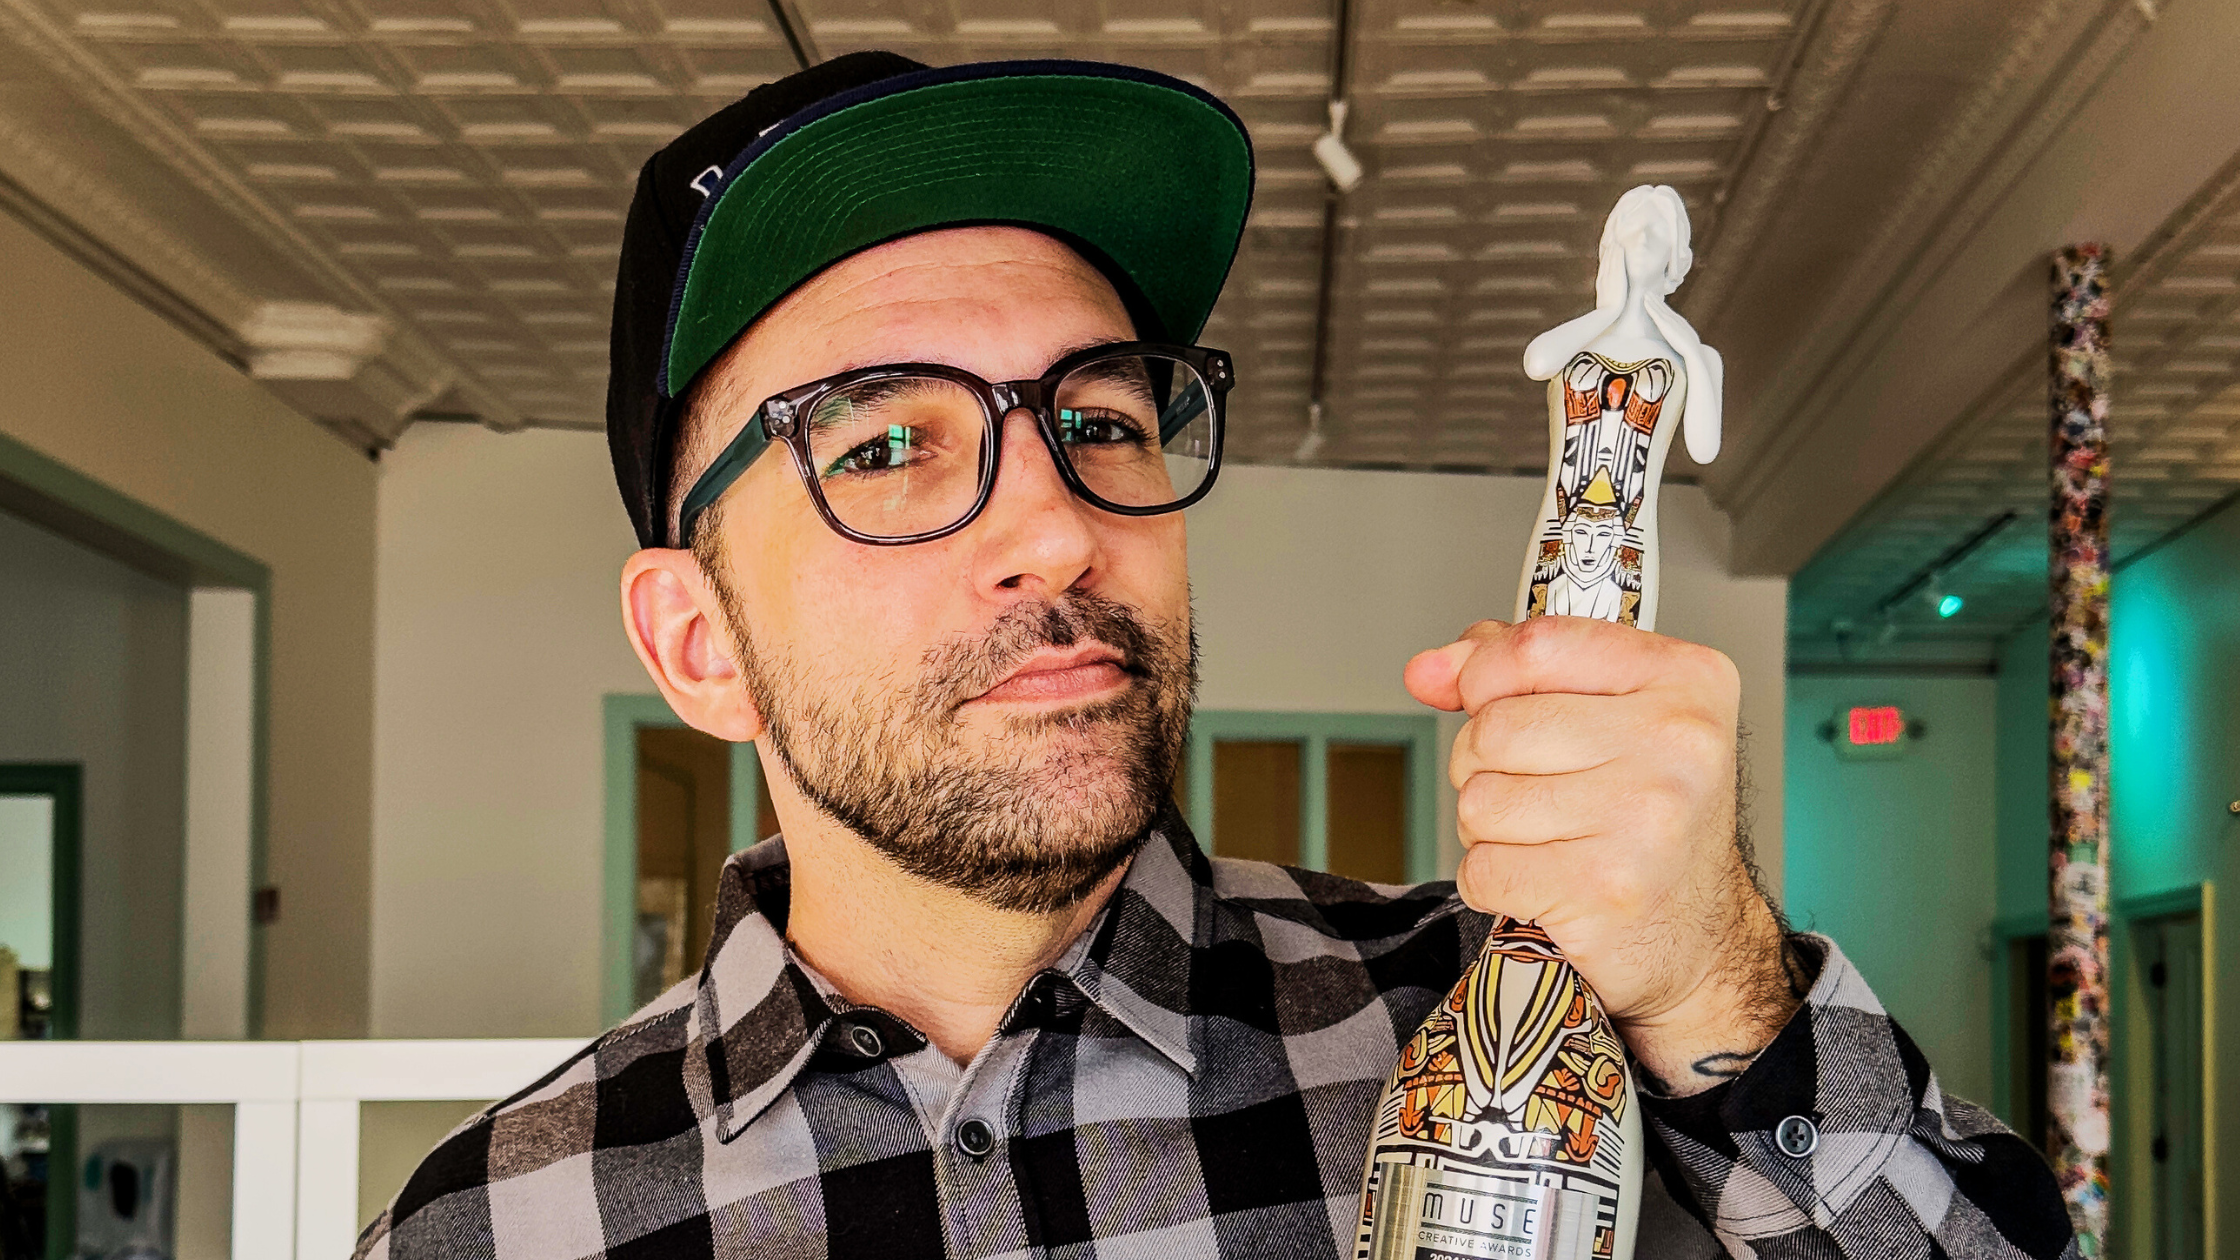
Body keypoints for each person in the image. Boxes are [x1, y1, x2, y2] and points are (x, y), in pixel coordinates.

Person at [355, 52, 2076, 1260]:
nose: (1058, 525)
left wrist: (1721, 990)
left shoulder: (1527, 1041)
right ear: (697, 643)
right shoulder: (498, 1226)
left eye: (1098, 415)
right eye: (885, 448)